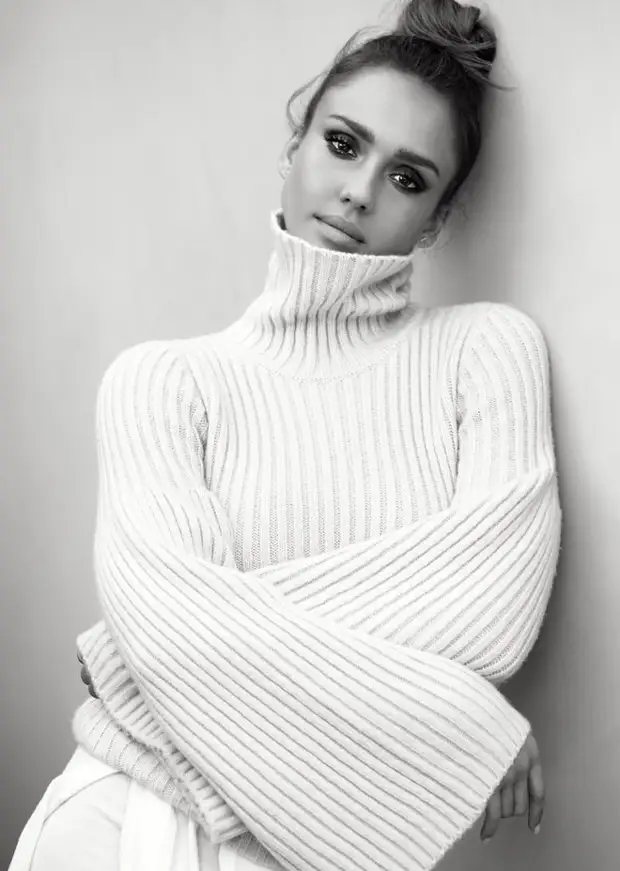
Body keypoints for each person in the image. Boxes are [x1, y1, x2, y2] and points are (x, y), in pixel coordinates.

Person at [9, 0, 562, 869]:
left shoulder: (485, 352)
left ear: (438, 219)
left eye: (408, 177)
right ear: (293, 147)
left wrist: (137, 651)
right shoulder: (162, 381)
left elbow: (489, 614)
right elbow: (174, 635)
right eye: (343, 144)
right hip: (122, 822)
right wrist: (459, 717)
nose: (360, 190)